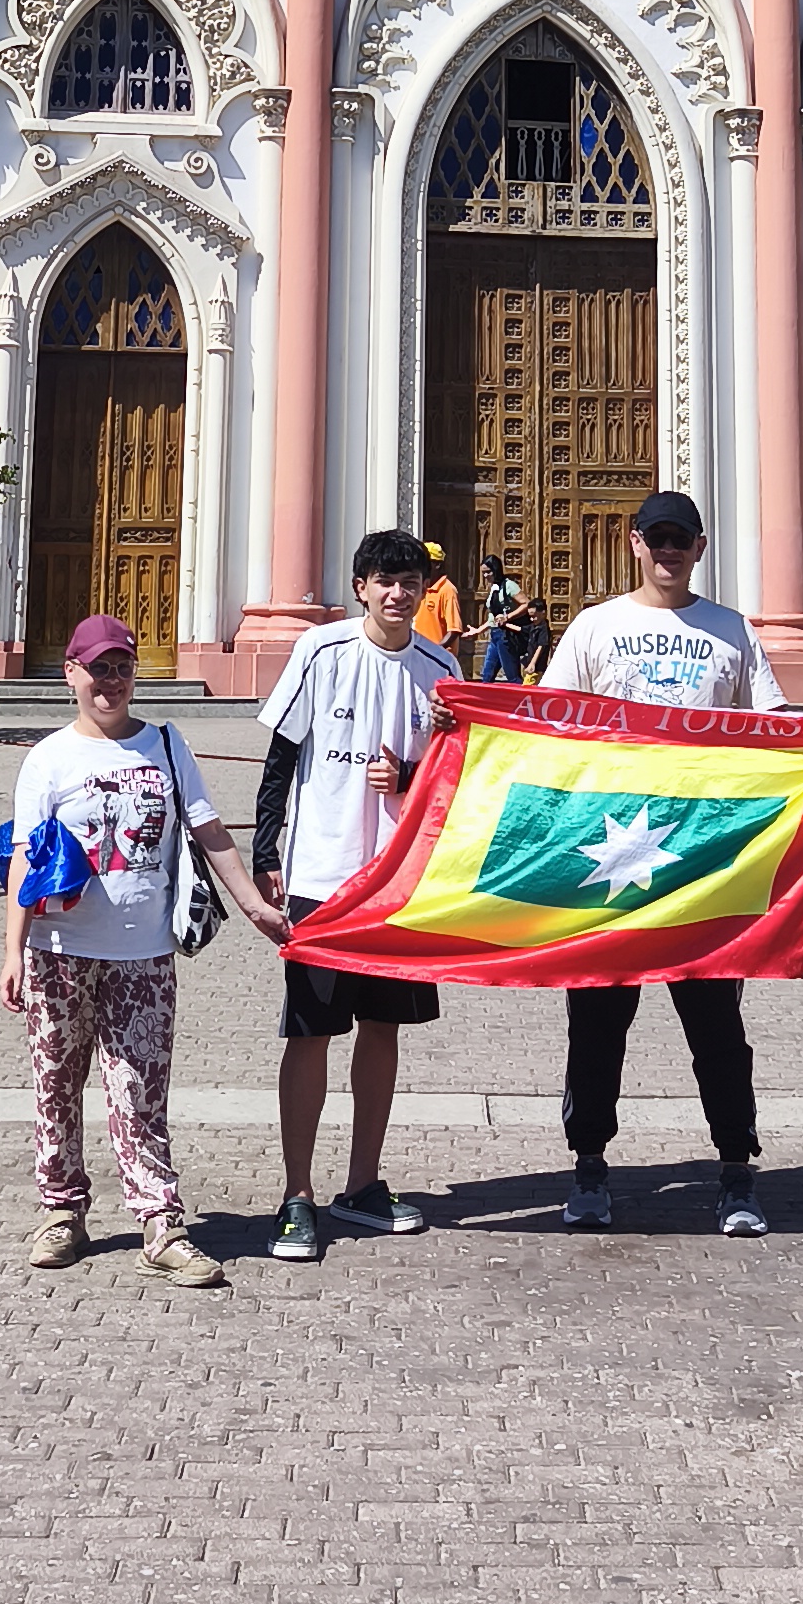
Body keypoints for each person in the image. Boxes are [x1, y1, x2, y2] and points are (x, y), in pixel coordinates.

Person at [0, 613, 285, 1284]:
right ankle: (62, 1211)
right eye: (98, 667)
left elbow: (209, 830)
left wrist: (253, 906)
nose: (112, 681)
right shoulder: (49, 758)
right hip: (60, 948)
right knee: (57, 1084)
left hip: (144, 953)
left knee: (139, 1089)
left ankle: (160, 1221)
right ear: (71, 673)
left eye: (122, 666)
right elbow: (23, 858)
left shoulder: (164, 743)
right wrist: (12, 951)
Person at [542, 488, 780, 1241]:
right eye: (658, 538)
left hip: (702, 859)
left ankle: (736, 1168)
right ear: (635, 543)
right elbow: (546, 726)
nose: (669, 551)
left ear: (700, 548)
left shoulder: (730, 631)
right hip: (609, 853)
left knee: (716, 1024)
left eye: (682, 540)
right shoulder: (595, 628)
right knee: (597, 1022)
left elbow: (773, 728)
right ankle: (588, 1165)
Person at [254, 529, 460, 1264]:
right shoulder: (322, 651)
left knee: (383, 1028)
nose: (398, 592)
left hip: (399, 882)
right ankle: (297, 1194)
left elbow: (447, 783)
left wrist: (406, 778)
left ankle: (363, 1183)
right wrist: (263, 853)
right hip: (321, 876)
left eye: (410, 581)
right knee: (309, 1031)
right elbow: (281, 753)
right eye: (385, 580)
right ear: (360, 586)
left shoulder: (442, 669)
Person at [478, 556, 528, 684]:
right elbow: (493, 617)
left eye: (488, 572)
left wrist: (508, 617)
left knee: (512, 675)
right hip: (495, 635)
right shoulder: (494, 588)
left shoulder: (509, 585)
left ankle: (525, 700)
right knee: (487, 675)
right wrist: (479, 630)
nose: (485, 576)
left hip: (506, 636)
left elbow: (525, 603)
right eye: (483, 572)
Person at [413, 545, 467, 663]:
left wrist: (435, 650)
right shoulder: (422, 588)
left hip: (438, 659)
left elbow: (454, 631)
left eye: (426, 564)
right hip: (420, 655)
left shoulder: (447, 590)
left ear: (437, 565)